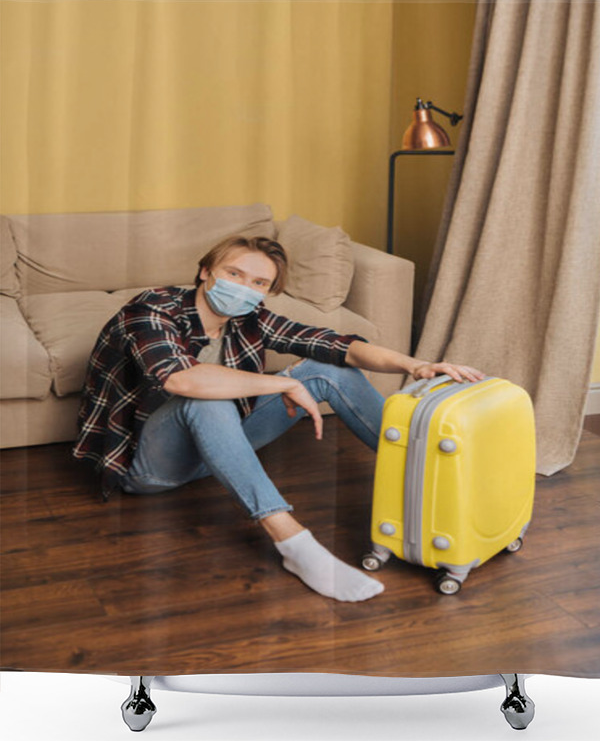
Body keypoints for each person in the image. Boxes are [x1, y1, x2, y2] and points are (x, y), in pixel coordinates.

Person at [72, 234, 484, 602]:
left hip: (219, 445)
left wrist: (417, 365)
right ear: (205, 272)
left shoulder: (250, 320)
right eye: (234, 273)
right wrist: (281, 385)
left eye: (258, 283)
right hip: (148, 465)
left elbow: (336, 345)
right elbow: (183, 381)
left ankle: (433, 475)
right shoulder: (151, 308)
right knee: (208, 400)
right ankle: (296, 546)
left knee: (330, 368)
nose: (244, 287)